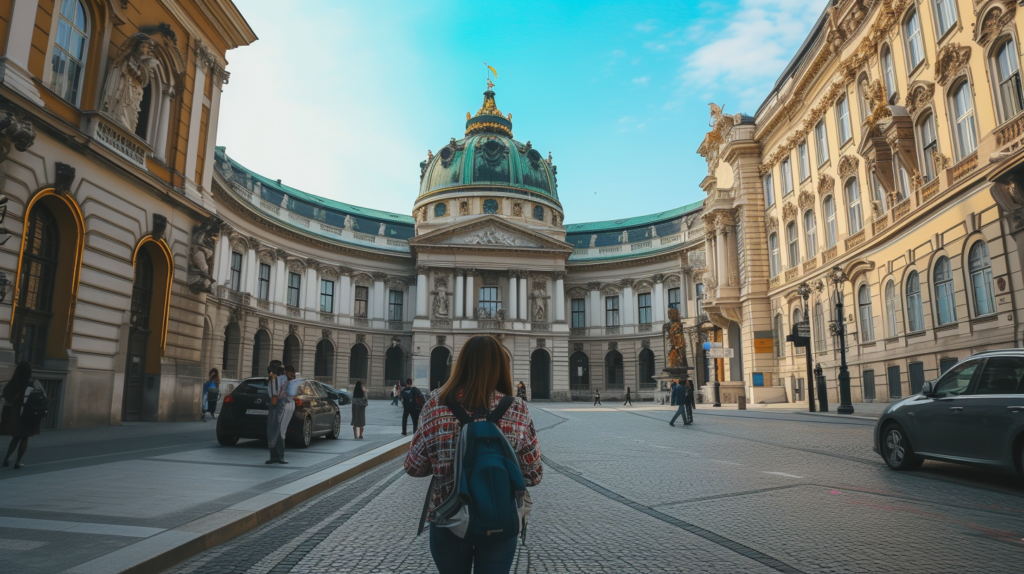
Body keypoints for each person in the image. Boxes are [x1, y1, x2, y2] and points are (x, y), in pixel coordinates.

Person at [405, 335, 541, 574]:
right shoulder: (517, 408)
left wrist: (445, 463)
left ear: (461, 364)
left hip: (449, 518)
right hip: (499, 518)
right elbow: (533, 474)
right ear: (501, 366)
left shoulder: (435, 405)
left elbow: (414, 467)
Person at [0, 362, 46, 469]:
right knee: (24, 437)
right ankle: (17, 463)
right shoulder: (33, 382)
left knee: (16, 437)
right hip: (28, 413)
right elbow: (43, 395)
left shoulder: (12, 383)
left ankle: (6, 459)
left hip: (14, 414)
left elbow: (6, 396)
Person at [265, 361, 287, 464]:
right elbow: (271, 392)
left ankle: (280, 456)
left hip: (280, 405)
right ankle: (274, 456)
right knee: (272, 431)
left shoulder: (283, 379)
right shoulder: (272, 379)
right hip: (274, 405)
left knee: (280, 432)